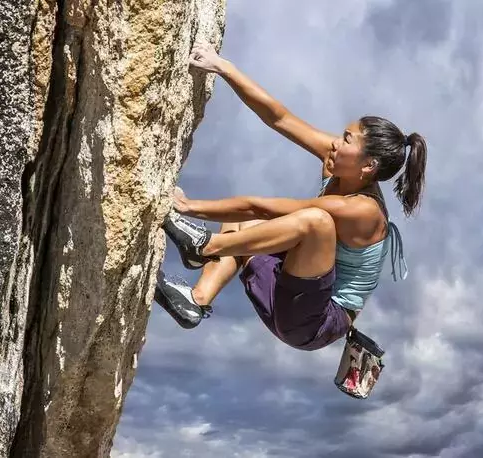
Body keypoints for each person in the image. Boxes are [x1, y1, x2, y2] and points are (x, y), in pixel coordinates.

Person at [154, 42, 427, 351]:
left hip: (315, 322)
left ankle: (203, 247)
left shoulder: (364, 212)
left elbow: (271, 210)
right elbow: (280, 118)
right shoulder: (339, 163)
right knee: (246, 222)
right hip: (288, 291)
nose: (336, 143)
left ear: (367, 165)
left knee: (315, 222)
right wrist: (223, 67)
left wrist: (188, 207)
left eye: (347, 139)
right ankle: (195, 301)